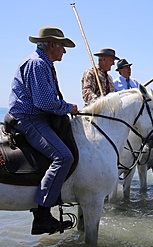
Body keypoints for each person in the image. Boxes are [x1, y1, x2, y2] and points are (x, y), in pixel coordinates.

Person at [7, 26, 78, 235]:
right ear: (53, 44)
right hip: (29, 118)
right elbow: (45, 102)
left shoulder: (43, 63)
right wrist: (69, 107)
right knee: (63, 157)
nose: (64, 51)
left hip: (36, 116)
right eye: (63, 46)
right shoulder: (37, 64)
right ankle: (43, 215)